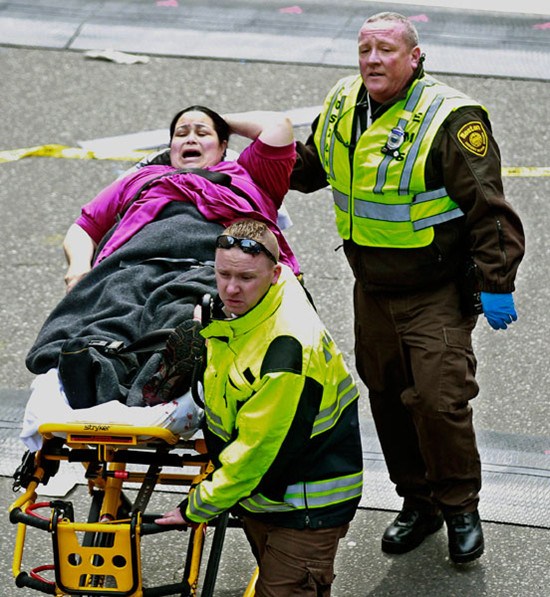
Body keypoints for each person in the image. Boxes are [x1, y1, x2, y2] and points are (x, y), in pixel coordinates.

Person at [290, 12, 525, 564]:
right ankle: (419, 503)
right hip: (371, 288)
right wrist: (249, 162)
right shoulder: (346, 100)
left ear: (413, 57)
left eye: (386, 50)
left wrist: (496, 282)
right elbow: (308, 168)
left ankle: (461, 508)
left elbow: (490, 210)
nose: (372, 59)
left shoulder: (450, 118)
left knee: (440, 401)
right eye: (364, 48)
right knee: (389, 398)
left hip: (435, 290)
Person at [25, 106, 299, 412]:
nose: (190, 139)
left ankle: (158, 379)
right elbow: (83, 228)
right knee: (112, 313)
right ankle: (96, 367)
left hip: (209, 266)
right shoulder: (141, 179)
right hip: (133, 264)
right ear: (170, 148)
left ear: (224, 146)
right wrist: (77, 269)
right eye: (181, 134)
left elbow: (279, 126)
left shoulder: (251, 177)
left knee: (184, 315)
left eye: (202, 133)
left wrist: (218, 119)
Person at [156, 219, 363, 596]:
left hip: (303, 507)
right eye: (223, 274)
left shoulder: (288, 347)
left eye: (246, 278)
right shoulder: (246, 310)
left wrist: (197, 506)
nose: (231, 289)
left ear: (275, 272)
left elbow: (259, 451)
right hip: (266, 495)